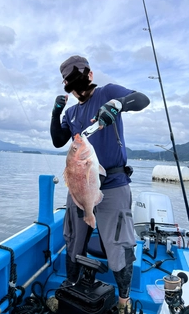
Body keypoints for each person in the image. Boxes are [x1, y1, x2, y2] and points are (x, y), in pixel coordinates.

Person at [50, 55, 150, 313]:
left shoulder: (108, 92)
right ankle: (71, 285)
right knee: (73, 239)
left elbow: (142, 99)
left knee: (119, 244)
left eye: (79, 84)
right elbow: (58, 140)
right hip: (79, 188)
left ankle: (123, 300)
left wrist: (118, 104)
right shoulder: (71, 112)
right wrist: (56, 111)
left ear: (90, 76)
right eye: (71, 88)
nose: (77, 91)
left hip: (114, 184)